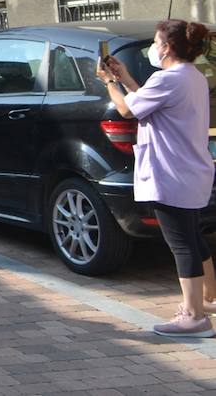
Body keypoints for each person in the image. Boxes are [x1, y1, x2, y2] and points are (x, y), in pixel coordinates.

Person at [99, 20, 216, 337]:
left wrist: (109, 82)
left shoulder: (169, 79)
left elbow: (126, 110)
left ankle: (194, 317)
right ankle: (206, 300)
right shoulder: (191, 77)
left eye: (155, 41)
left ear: (166, 47)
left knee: (182, 245)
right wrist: (124, 77)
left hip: (171, 175)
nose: (153, 46)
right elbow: (147, 101)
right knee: (192, 239)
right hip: (190, 172)